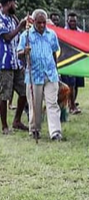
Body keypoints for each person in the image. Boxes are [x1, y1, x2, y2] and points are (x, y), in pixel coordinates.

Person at [18, 10, 63, 141]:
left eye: (44, 22)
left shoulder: (51, 34)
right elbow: (18, 53)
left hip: (50, 74)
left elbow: (54, 53)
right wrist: (24, 51)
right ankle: (35, 129)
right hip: (34, 74)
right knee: (35, 104)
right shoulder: (26, 35)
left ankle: (55, 132)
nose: (42, 25)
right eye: (39, 23)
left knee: (52, 103)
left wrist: (56, 71)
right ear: (33, 22)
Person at [0, 0, 29, 134]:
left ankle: (17, 121)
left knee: (25, 91)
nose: (16, 6)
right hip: (5, 63)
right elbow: (7, 37)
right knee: (4, 95)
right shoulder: (0, 19)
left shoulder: (11, 18)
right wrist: (20, 25)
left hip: (16, 62)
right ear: (8, 3)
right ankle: (4, 126)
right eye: (14, 4)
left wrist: (18, 21)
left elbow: (19, 32)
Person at [63, 12, 84, 115]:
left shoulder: (80, 32)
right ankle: (71, 106)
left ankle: (73, 102)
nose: (72, 23)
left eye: (74, 21)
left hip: (78, 61)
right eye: (70, 21)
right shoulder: (63, 32)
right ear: (67, 21)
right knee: (70, 84)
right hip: (67, 61)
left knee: (76, 84)